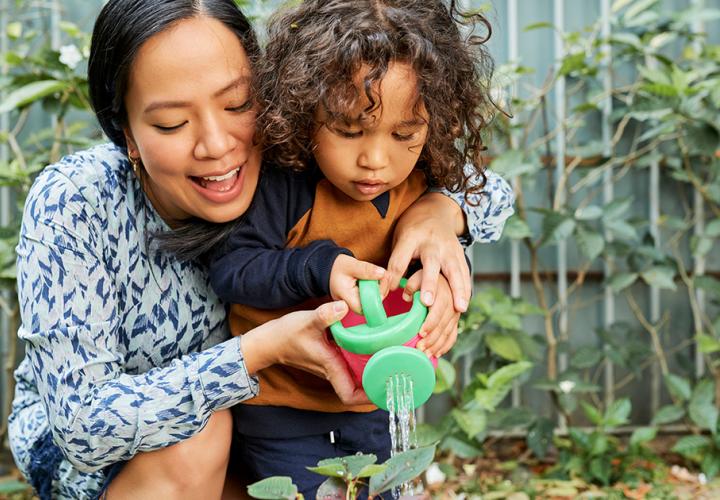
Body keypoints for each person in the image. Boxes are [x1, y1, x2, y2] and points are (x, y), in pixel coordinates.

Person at [6, 0, 514, 499]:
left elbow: (481, 186)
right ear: (126, 134)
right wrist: (258, 352)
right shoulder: (79, 200)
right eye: (170, 124)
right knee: (201, 438)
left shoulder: (304, 144)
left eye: (236, 104)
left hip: (258, 442)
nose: (216, 144)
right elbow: (83, 429)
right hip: (126, 459)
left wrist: (440, 216)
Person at [195, 0, 509, 495]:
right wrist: (320, 267)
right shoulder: (287, 185)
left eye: (404, 133)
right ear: (304, 108)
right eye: (347, 130)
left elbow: (480, 211)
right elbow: (233, 269)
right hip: (283, 408)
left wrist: (443, 289)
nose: (375, 160)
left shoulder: (426, 184)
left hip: (377, 401)